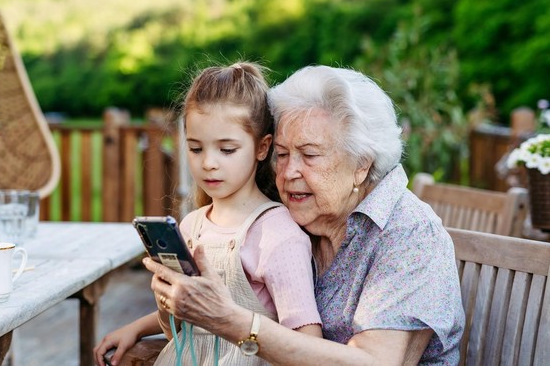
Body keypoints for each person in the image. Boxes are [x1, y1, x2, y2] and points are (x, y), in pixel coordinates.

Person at [143, 65, 465, 365]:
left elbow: (375, 362)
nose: (288, 172)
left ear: (361, 164)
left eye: (309, 155)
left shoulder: (409, 235)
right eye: (282, 154)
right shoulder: (299, 220)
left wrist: (234, 322)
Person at [94, 61, 322, 366]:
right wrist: (144, 323)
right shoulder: (192, 226)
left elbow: (308, 343)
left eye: (226, 150)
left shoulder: (277, 235)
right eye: (196, 148)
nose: (208, 163)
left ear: (262, 147)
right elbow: (188, 327)